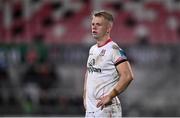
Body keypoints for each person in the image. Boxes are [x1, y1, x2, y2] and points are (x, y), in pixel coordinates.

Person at [83, 10, 134, 117]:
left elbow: (128, 76)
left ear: (108, 28)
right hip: (92, 108)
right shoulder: (92, 49)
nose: (94, 27)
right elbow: (89, 72)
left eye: (98, 24)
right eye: (93, 24)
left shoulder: (113, 49)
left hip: (106, 109)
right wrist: (85, 96)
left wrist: (110, 96)